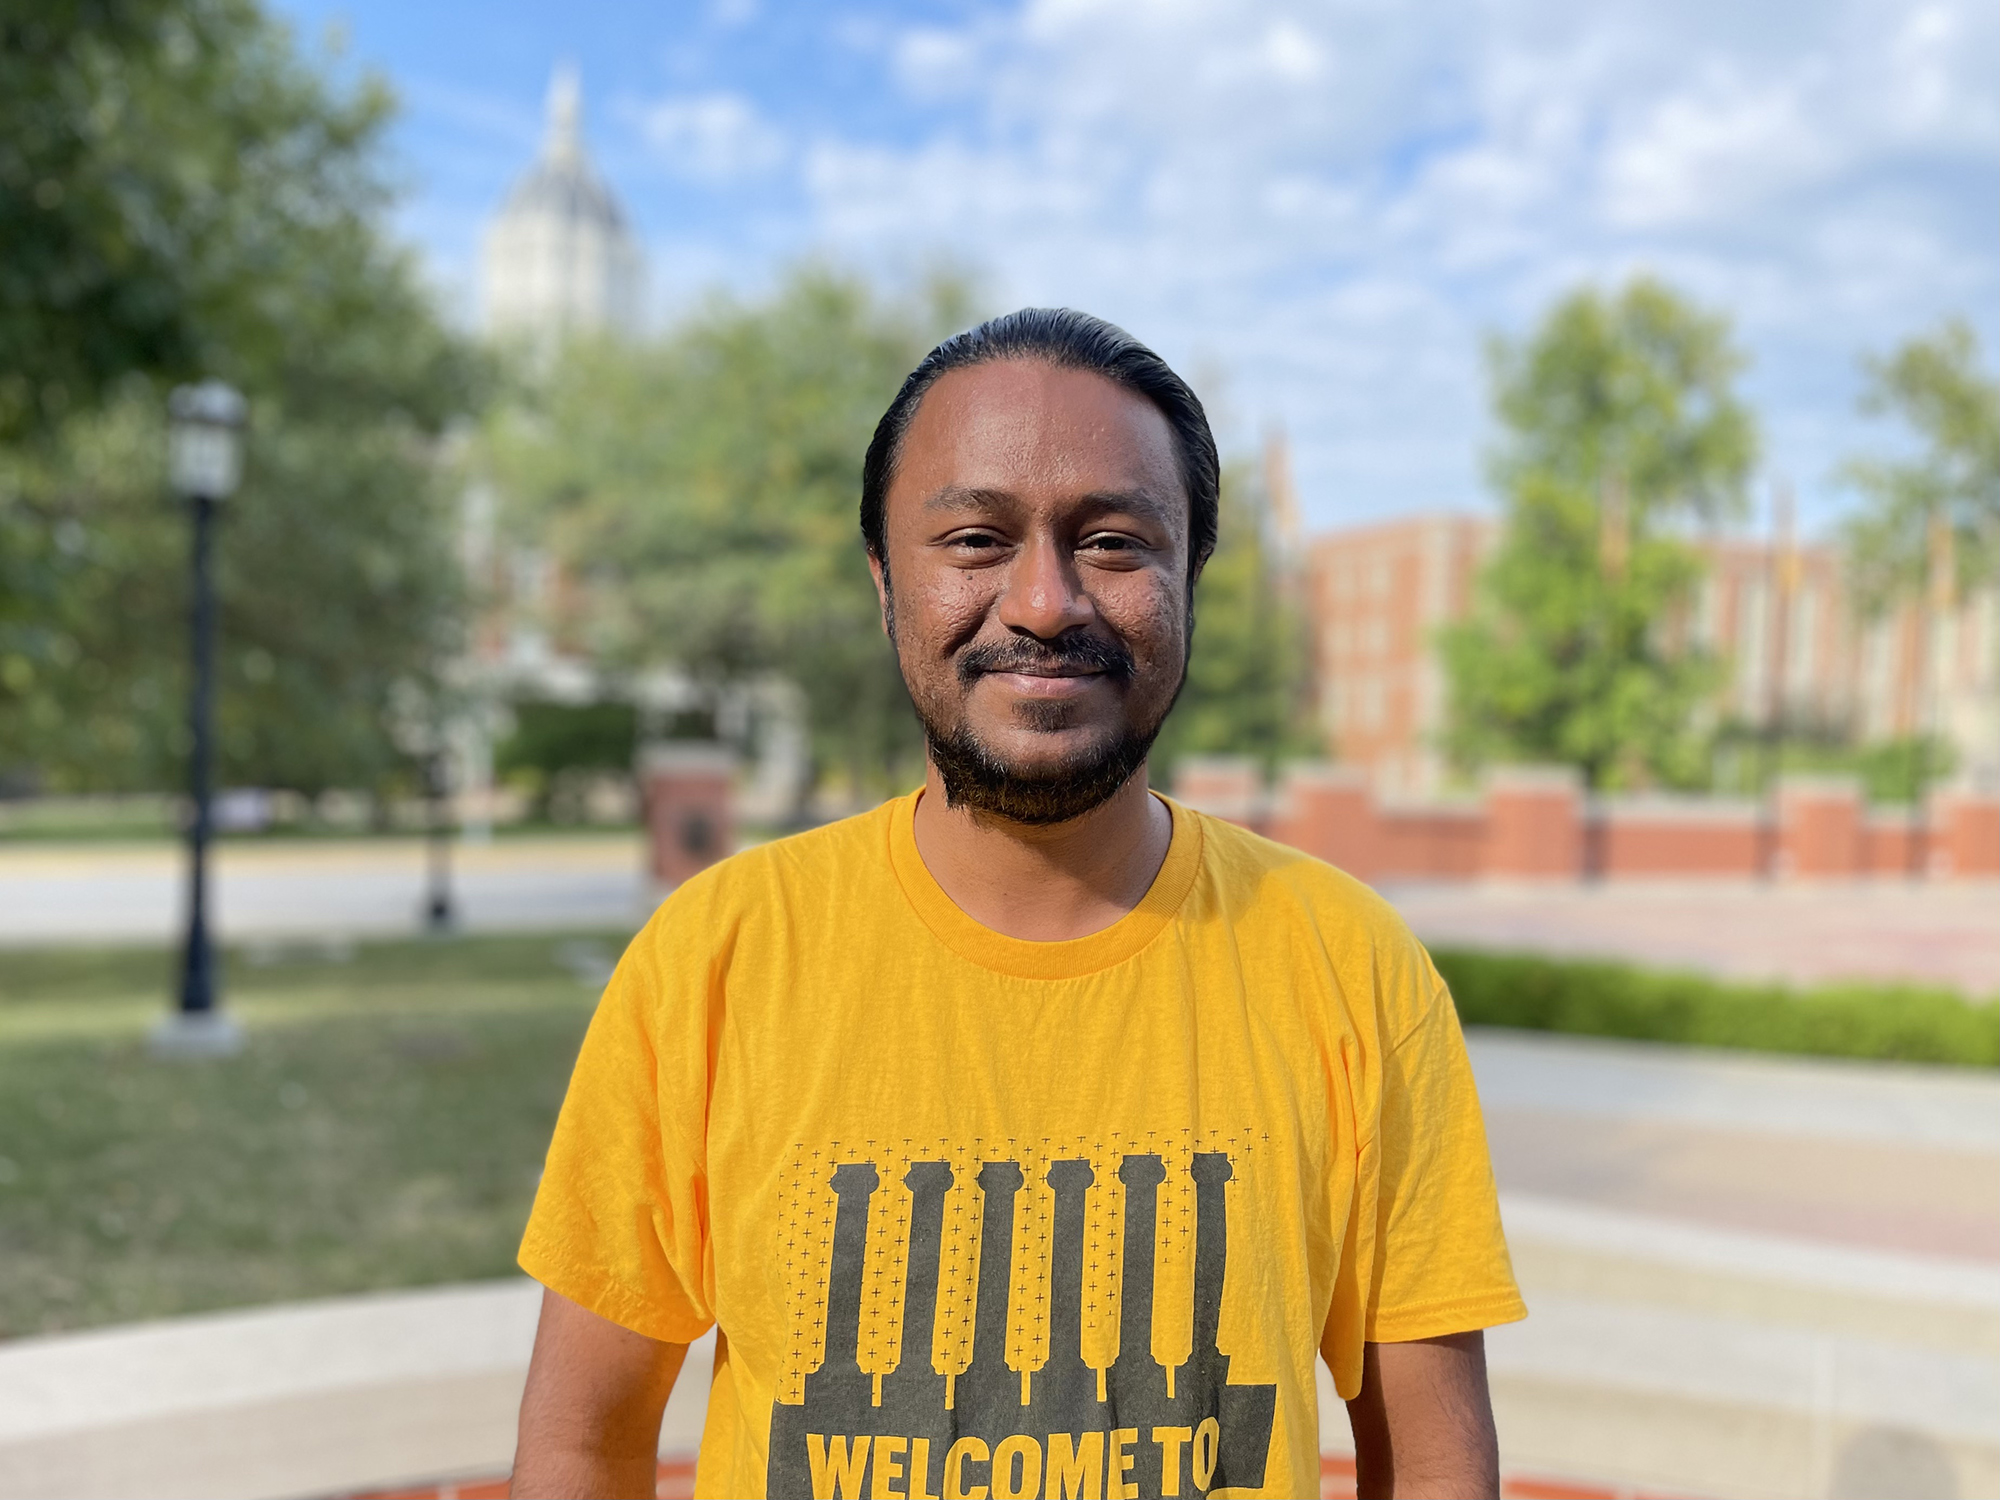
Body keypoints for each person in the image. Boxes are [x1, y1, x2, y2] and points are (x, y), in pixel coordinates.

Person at [509, 309, 1524, 1500]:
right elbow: (582, 1442)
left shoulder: (1348, 967)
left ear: (1188, 577)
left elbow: (1433, 1464)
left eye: (1110, 542)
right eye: (976, 538)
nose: (1043, 603)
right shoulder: (716, 960)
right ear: (886, 580)